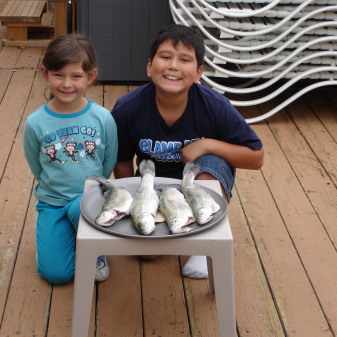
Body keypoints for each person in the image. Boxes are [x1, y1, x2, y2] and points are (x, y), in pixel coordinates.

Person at [111, 24, 264, 279]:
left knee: (208, 172)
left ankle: (204, 245)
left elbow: (257, 157)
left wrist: (208, 145)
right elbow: (123, 161)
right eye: (165, 56)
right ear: (150, 66)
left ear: (198, 73)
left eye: (185, 59)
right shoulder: (128, 108)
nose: (173, 66)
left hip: (200, 178)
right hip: (154, 183)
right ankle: (175, 226)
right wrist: (131, 205)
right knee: (147, 253)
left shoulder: (215, 106)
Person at [23, 34, 118, 284]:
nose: (67, 84)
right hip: (52, 202)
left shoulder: (103, 118)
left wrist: (94, 189)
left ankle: (96, 250)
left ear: (91, 76)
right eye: (59, 75)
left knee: (80, 206)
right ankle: (64, 241)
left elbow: (107, 161)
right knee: (55, 274)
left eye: (76, 76)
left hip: (88, 197)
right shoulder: (35, 123)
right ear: (45, 73)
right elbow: (36, 164)